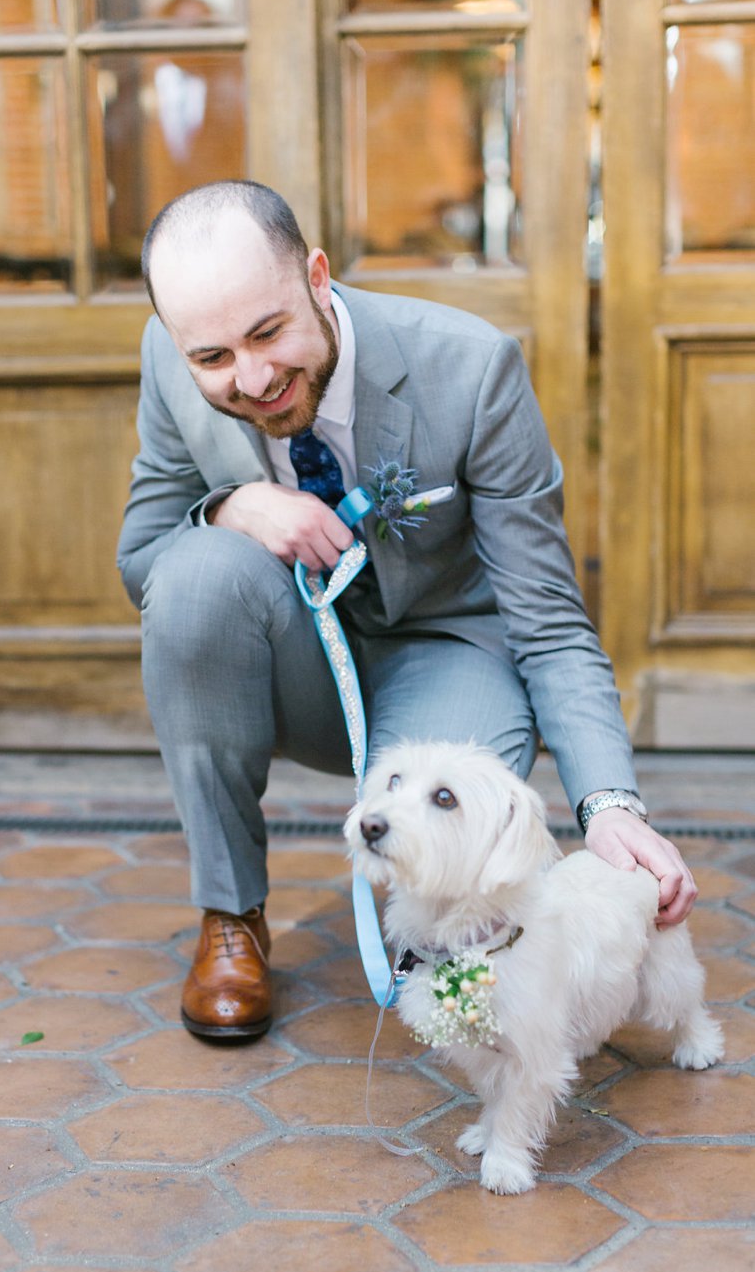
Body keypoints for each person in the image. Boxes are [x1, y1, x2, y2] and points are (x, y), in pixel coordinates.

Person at [117, 179, 697, 1041]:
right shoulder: (171, 362)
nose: (254, 377)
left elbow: (547, 617)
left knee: (455, 873)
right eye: (213, 358)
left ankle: (482, 974)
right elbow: (143, 554)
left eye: (269, 333)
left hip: (448, 652)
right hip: (298, 660)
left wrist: (609, 806)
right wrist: (232, 506)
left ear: (318, 277)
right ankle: (231, 915)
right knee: (196, 576)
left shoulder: (472, 368)